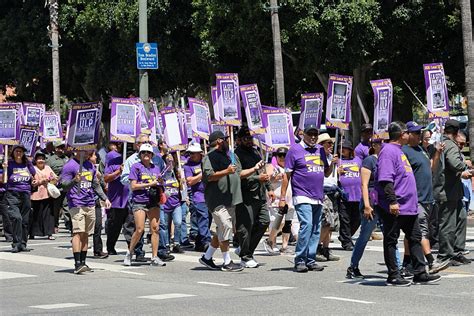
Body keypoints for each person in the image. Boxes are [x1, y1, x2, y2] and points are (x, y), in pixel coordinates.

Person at [376, 122, 440, 286]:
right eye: (406, 132)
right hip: (396, 206)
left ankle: (419, 272)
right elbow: (385, 178)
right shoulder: (388, 151)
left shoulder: (399, 151)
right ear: (400, 134)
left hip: (409, 206)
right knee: (391, 239)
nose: (408, 134)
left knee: (415, 238)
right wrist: (392, 201)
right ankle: (393, 275)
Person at [279, 125, 336, 273]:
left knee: (316, 229)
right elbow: (287, 175)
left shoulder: (319, 150)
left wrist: (333, 163)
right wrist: (282, 198)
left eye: (315, 134)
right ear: (303, 134)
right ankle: (299, 260)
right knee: (307, 225)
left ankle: (310, 259)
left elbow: (327, 173)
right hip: (302, 194)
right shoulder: (294, 150)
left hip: (318, 196)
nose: (313, 137)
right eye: (310, 134)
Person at [401, 121, 444, 272]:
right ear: (408, 134)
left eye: (420, 132)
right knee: (421, 231)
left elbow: (430, 168)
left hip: (428, 198)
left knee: (411, 233)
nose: (419, 135)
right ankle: (431, 262)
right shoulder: (404, 151)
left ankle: (407, 263)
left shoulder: (421, 150)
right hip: (416, 198)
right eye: (416, 133)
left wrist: (437, 153)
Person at [199, 130, 243, 272]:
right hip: (217, 200)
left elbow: (238, 173)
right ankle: (227, 261)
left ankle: (207, 257)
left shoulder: (229, 155)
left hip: (230, 199)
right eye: (224, 139)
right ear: (219, 141)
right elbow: (209, 176)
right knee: (225, 226)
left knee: (221, 230)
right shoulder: (209, 157)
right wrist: (226, 171)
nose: (227, 142)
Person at [431, 120, 472, 272]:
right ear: (455, 132)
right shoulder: (450, 145)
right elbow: (455, 164)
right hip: (447, 192)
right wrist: (465, 167)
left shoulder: (442, 143)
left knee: (460, 219)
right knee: (448, 225)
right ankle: (445, 255)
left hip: (453, 191)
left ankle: (456, 251)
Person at [61, 151, 111, 274]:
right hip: (76, 204)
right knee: (78, 233)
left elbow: (95, 185)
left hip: (90, 203)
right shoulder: (69, 165)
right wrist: (74, 180)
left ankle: (83, 262)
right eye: (86, 150)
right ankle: (77, 263)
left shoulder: (90, 165)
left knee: (86, 233)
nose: (88, 152)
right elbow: (64, 186)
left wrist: (105, 198)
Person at [234, 127, 273, 268]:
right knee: (245, 226)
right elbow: (238, 174)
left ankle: (246, 249)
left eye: (250, 138)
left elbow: (262, 169)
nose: (249, 141)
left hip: (260, 194)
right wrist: (257, 177)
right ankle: (245, 256)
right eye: (246, 138)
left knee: (264, 221)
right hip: (246, 195)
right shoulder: (236, 154)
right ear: (239, 140)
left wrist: (269, 188)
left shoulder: (256, 151)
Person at [124, 143, 165, 267]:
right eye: (143, 153)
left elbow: (159, 185)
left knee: (155, 229)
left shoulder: (156, 168)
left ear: (152, 155)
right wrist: (149, 184)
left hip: (153, 201)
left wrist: (160, 183)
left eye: (148, 153)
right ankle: (129, 253)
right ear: (140, 155)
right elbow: (133, 186)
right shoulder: (136, 167)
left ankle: (154, 256)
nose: (146, 155)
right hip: (139, 201)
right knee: (140, 229)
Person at [346, 139, 383, 278]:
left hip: (384, 201)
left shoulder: (387, 159)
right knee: (365, 235)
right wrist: (367, 206)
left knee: (391, 235)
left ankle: (396, 268)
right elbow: (364, 185)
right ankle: (353, 266)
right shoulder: (369, 160)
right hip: (371, 201)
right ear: (374, 145)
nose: (383, 145)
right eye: (381, 143)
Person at [3, 145, 37, 252]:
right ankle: (16, 243)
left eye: (21, 152)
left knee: (25, 220)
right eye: (17, 151)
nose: (19, 153)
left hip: (26, 193)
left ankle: (23, 243)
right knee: (17, 218)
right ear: (13, 153)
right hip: (12, 193)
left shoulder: (28, 164)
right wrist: (3, 168)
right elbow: (3, 178)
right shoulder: (8, 164)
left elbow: (34, 176)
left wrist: (34, 181)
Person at [264, 147, 296, 255]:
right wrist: (274, 178)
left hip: (290, 199)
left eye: (284, 156)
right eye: (280, 156)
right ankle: (270, 241)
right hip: (277, 199)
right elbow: (267, 178)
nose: (282, 158)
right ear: (276, 157)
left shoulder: (291, 168)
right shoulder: (273, 167)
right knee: (278, 222)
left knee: (288, 223)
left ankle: (284, 246)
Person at [316, 133, 340, 262]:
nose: (331, 145)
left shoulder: (331, 157)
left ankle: (326, 248)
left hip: (333, 192)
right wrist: (331, 164)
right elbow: (325, 174)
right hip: (323, 191)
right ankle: (317, 247)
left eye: (332, 143)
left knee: (332, 224)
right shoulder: (320, 157)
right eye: (328, 143)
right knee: (326, 222)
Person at [184, 142, 211, 252]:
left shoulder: (206, 162)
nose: (192, 155)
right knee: (203, 218)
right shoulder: (187, 166)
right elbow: (190, 181)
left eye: (194, 153)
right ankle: (206, 241)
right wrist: (202, 174)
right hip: (198, 196)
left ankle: (199, 242)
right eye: (191, 153)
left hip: (210, 195)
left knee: (208, 220)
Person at [103, 142, 129, 255]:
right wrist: (119, 171)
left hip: (129, 199)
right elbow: (106, 178)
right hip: (116, 200)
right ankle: (110, 247)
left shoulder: (132, 160)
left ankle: (133, 248)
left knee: (131, 226)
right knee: (115, 226)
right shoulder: (112, 158)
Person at [337, 140, 362, 251]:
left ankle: (344, 236)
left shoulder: (358, 160)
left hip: (357, 194)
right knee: (345, 219)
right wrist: (336, 170)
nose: (342, 150)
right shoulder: (337, 161)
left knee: (357, 219)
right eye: (341, 148)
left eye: (345, 148)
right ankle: (347, 241)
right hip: (344, 194)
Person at [159, 153, 184, 254]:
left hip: (176, 203)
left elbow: (181, 189)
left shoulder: (177, 173)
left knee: (178, 223)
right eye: (168, 161)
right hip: (165, 204)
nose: (170, 163)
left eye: (172, 161)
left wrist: (182, 182)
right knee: (164, 225)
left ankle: (177, 243)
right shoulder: (161, 174)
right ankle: (166, 244)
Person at [29, 152, 57, 240]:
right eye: (39, 159)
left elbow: (55, 178)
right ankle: (32, 233)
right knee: (35, 215)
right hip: (35, 194)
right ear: (35, 160)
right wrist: (41, 181)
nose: (41, 160)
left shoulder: (48, 168)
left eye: (42, 159)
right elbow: (31, 182)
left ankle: (49, 233)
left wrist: (52, 179)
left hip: (47, 194)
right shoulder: (32, 169)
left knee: (48, 215)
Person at [46, 141, 69, 233]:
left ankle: (69, 224)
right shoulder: (50, 160)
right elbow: (48, 171)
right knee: (55, 208)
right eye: (60, 147)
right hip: (55, 187)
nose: (62, 149)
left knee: (67, 206)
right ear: (55, 148)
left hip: (66, 186)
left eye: (63, 148)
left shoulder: (67, 158)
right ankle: (55, 225)